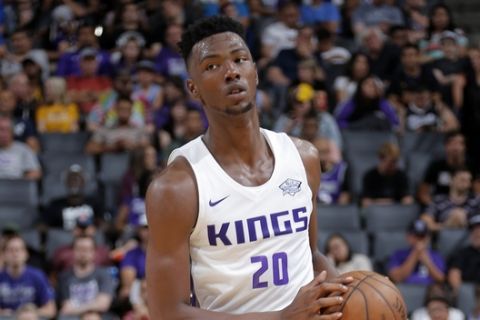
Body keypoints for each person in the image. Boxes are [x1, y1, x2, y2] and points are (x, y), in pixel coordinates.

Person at [145, 16, 352, 319]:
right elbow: (167, 313)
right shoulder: (177, 187)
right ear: (194, 89)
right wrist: (281, 318)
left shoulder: (303, 158)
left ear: (254, 71)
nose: (231, 72)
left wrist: (350, 291)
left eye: (240, 59)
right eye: (212, 66)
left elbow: (310, 254)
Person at [57, 235, 115, 319]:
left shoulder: (103, 274)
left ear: (94, 252)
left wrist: (78, 309)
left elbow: (103, 304)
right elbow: (66, 308)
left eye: (87, 249)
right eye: (80, 249)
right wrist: (93, 305)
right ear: (73, 251)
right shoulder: (64, 277)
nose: (83, 253)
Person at [0, 236, 56, 318]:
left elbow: (51, 309)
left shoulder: (37, 276)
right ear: (4, 255)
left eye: (18, 250)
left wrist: (29, 314)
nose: (15, 254)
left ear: (26, 254)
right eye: (11, 250)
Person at [387, 219, 446, 285]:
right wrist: (414, 254)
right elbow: (396, 278)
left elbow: (441, 280)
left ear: (428, 238)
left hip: (430, 292)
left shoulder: (435, 255)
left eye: (422, 236)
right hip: (405, 291)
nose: (419, 239)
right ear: (408, 237)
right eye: (416, 236)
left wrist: (427, 261)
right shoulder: (398, 254)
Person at [361, 142, 413, 207]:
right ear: (381, 159)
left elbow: (407, 199)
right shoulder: (370, 176)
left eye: (395, 162)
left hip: (396, 211)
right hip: (375, 211)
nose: (393, 165)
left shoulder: (401, 176)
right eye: (390, 163)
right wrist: (390, 202)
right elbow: (365, 202)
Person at [0, 115, 41, 180]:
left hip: (17, 187)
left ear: (12, 131)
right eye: (1, 129)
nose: (4, 133)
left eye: (7, 129)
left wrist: (20, 184)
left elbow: (36, 172)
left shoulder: (24, 149)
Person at [447, 214, 480, 294]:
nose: (476, 233)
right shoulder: (461, 253)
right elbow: (454, 274)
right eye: (473, 230)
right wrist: (462, 293)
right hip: (468, 292)